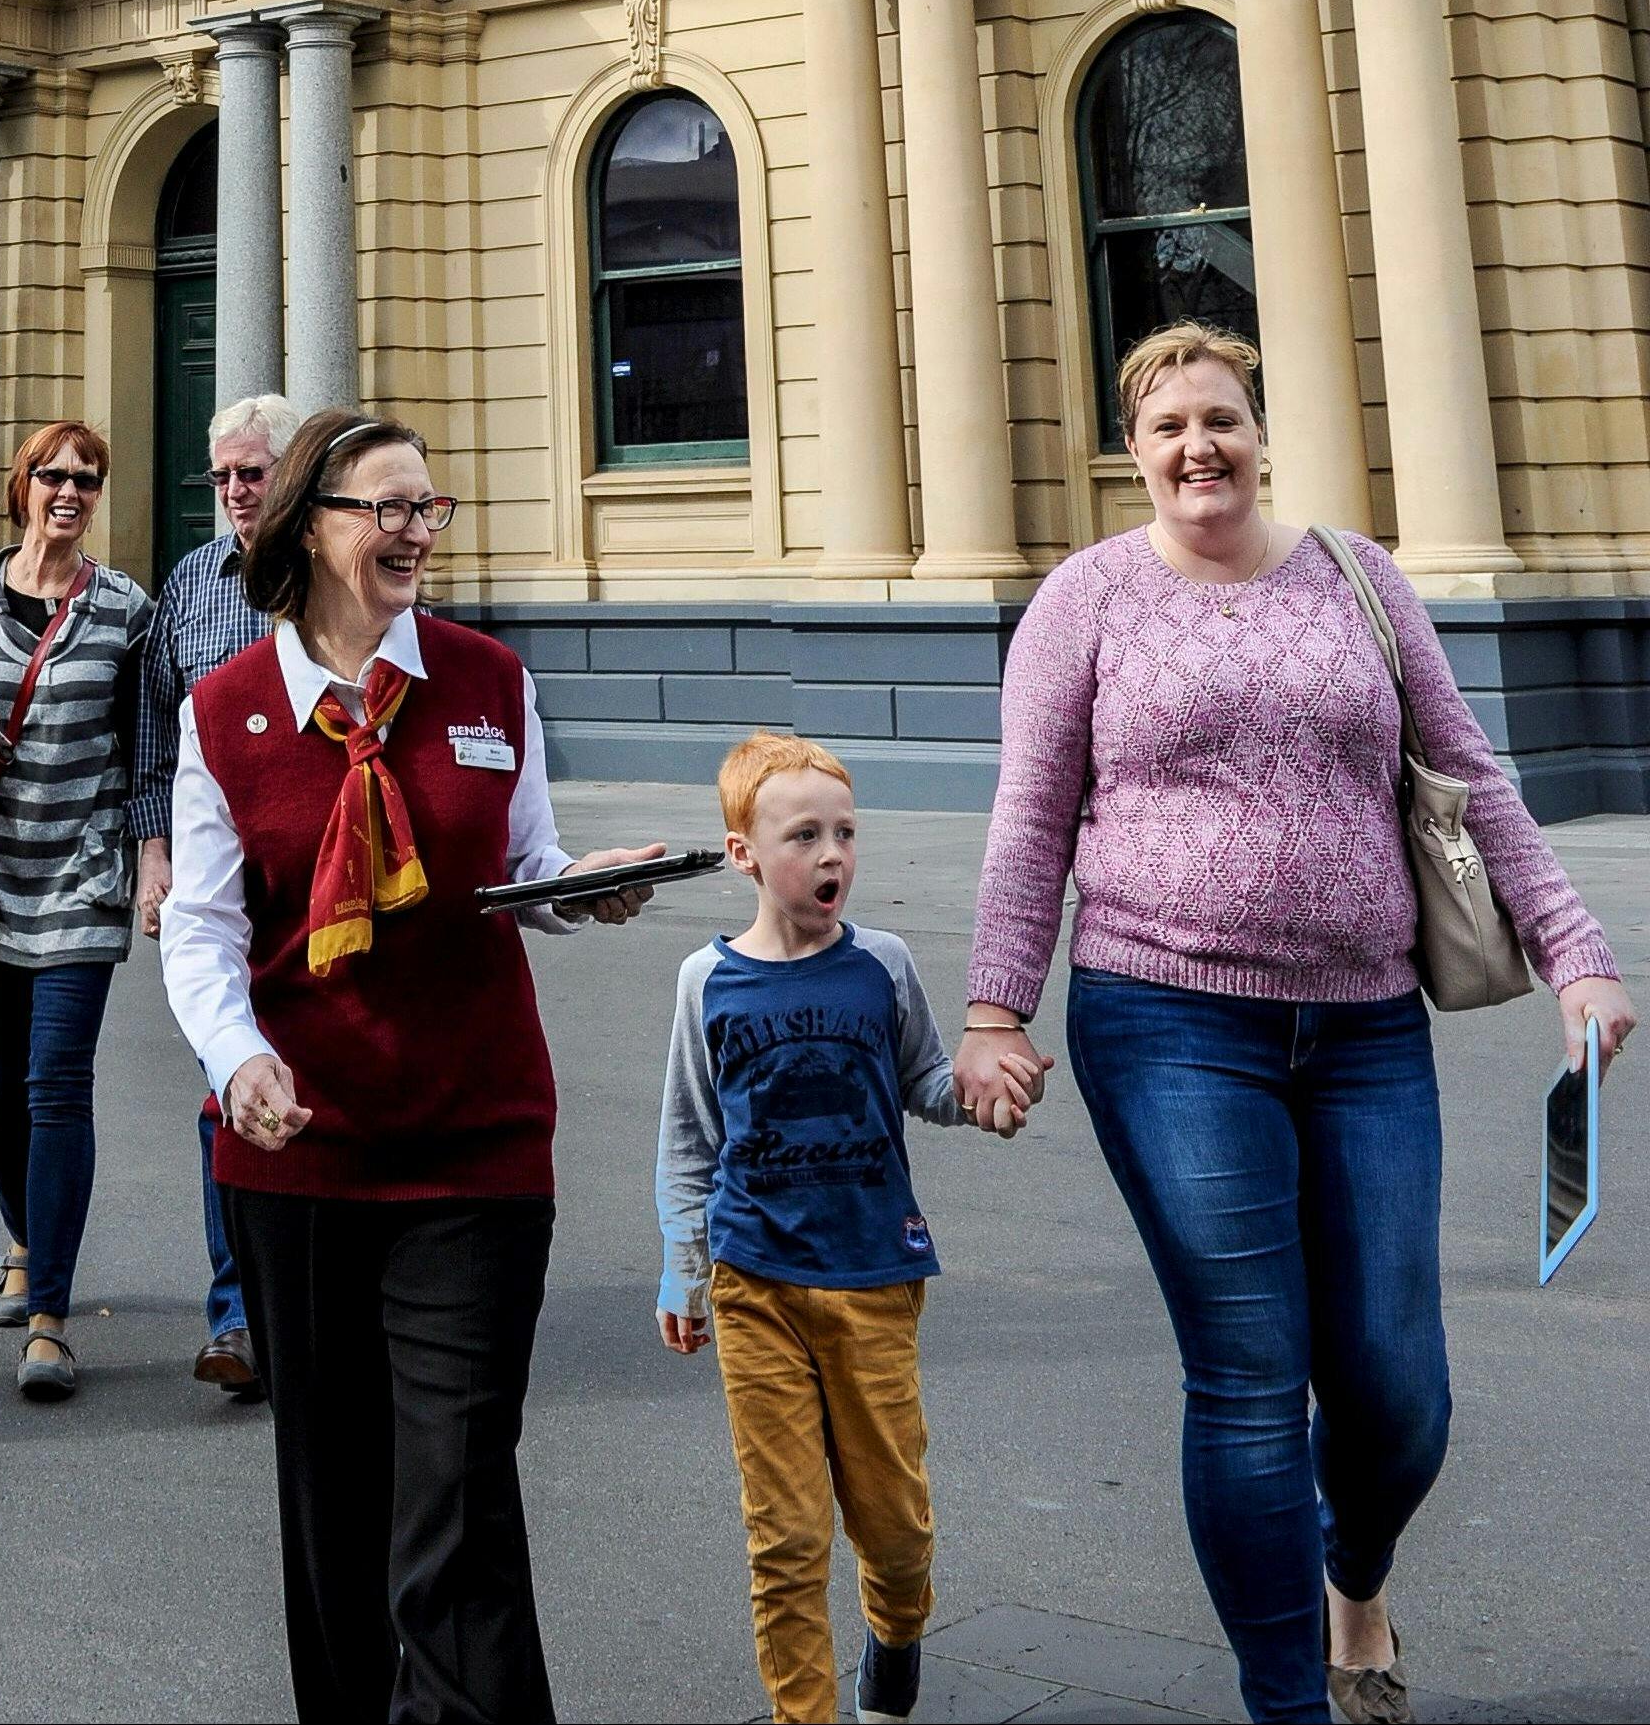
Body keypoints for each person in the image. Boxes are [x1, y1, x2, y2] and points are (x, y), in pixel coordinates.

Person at [958, 322, 1632, 1725]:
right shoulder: (1083, 602)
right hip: (1167, 1020)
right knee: (1252, 1376)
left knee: (1397, 1388)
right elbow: (1029, 822)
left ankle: (1358, 1573)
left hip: (1371, 1025)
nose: (1198, 443)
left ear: (1262, 433)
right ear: (1133, 451)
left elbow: (1467, 767)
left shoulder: (1358, 577)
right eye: (1166, 424)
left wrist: (1576, 951)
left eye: (1222, 415)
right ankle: (1291, 1704)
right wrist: (993, 1007)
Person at [160, 405, 662, 1725]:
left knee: (456, 1487)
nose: (414, 530)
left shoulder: (491, 680)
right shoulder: (226, 709)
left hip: (476, 1141)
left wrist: (579, 887)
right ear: (308, 533)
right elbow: (203, 933)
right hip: (300, 1155)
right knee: (333, 1495)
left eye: (426, 508)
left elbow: (523, 869)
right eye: (386, 506)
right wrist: (239, 1056)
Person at [657, 732, 999, 1725]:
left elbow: (927, 1078)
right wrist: (684, 1269)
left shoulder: (882, 965)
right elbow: (689, 1133)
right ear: (743, 854)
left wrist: (978, 1091)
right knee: (787, 1534)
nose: (832, 853)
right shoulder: (705, 982)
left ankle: (894, 1646)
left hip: (874, 1273)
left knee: (895, 1530)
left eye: (845, 832)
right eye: (803, 834)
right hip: (754, 1277)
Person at [0, 416, 153, 1404]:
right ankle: (24, 1232)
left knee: (58, 1086)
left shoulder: (126, 611)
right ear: (22, 484)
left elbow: (142, 750)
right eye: (53, 474)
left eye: (87, 479)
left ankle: (49, 1311)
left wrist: (151, 863)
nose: (69, 491)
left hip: (80, 879)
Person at [131, 386, 300, 1397]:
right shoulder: (192, 585)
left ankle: (316, 1298)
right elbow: (154, 727)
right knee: (227, 1093)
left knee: (320, 1084)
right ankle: (238, 1314)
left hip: (321, 880)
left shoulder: (338, 572)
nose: (236, 491)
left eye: (254, 472)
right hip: (213, 889)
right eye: (224, 476)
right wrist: (153, 851)